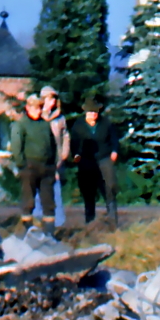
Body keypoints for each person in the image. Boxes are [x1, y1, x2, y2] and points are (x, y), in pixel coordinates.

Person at [70, 97, 121, 226]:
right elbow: (73, 143)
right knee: (88, 191)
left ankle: (112, 219)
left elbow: (114, 139)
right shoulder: (78, 126)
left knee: (110, 187)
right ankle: (90, 222)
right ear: (85, 112)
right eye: (90, 112)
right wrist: (75, 154)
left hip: (104, 158)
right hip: (87, 160)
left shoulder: (106, 123)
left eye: (95, 112)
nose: (93, 114)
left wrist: (114, 151)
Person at [10, 94, 57, 227]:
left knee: (48, 202)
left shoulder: (45, 125)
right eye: (35, 107)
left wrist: (53, 165)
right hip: (29, 167)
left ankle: (49, 233)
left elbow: (53, 145)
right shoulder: (21, 125)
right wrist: (22, 165)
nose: (38, 110)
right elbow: (16, 145)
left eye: (40, 107)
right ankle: (27, 230)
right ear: (28, 108)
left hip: (46, 168)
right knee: (28, 201)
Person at [40, 86, 70, 226]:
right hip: (39, 161)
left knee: (55, 191)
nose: (51, 102)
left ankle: (57, 223)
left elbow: (65, 136)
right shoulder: (38, 116)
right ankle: (38, 222)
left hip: (56, 161)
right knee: (38, 193)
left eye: (53, 99)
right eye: (49, 99)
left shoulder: (60, 118)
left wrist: (64, 154)